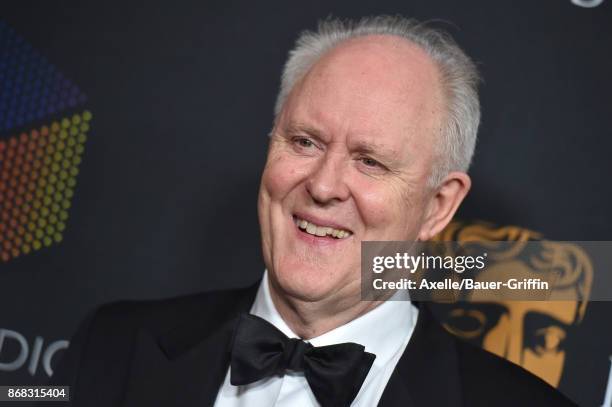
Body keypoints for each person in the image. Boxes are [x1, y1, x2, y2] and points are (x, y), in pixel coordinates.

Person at [49, 15, 576, 406]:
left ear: (438, 206)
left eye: (370, 162)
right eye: (304, 142)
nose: (323, 186)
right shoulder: (113, 344)